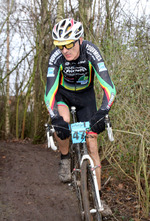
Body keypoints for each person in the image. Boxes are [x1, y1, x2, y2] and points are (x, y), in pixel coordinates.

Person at [44, 18, 116, 216]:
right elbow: (49, 92)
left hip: (86, 97)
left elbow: (109, 87)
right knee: (63, 123)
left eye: (68, 44)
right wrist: (55, 117)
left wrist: (103, 112)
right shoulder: (56, 58)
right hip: (63, 96)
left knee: (92, 143)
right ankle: (66, 157)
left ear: (80, 39)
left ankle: (99, 199)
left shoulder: (91, 51)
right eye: (59, 45)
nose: (64, 50)